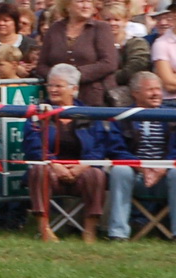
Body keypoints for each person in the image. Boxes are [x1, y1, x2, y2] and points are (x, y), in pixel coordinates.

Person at [24, 64, 114, 243]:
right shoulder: (38, 114)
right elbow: (33, 146)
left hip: (81, 172)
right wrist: (55, 164)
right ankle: (44, 229)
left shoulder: (89, 114)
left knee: (96, 175)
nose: (53, 90)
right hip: (51, 171)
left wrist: (82, 166)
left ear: (74, 89)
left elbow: (100, 147)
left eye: (58, 86)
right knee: (39, 171)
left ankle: (89, 231)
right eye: (50, 85)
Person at [105, 72, 176, 242]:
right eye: (150, 90)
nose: (156, 94)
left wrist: (162, 169)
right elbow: (116, 150)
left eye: (158, 89)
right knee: (120, 171)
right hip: (135, 177)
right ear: (135, 93)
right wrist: (140, 167)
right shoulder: (123, 117)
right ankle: (118, 233)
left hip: (166, 178)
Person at [32, 0, 118, 106]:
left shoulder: (101, 28)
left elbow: (109, 63)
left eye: (89, 1)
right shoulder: (54, 29)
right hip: (60, 101)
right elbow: (41, 66)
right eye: (81, 1)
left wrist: (73, 75)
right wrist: (58, 79)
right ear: (67, 4)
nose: (86, 5)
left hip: (94, 99)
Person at [102, 1, 151, 106]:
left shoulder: (137, 43)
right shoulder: (97, 43)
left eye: (117, 20)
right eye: (108, 20)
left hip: (130, 94)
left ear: (125, 21)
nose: (112, 23)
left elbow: (135, 68)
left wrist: (109, 78)